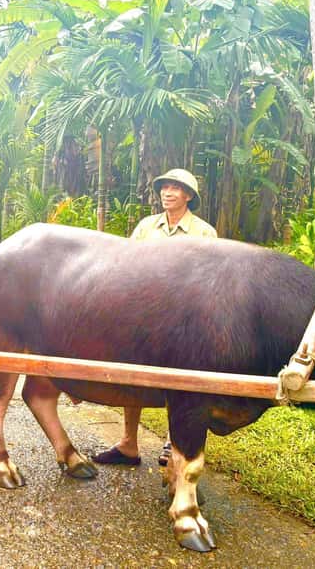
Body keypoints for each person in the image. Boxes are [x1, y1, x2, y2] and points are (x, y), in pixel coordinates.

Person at [92, 168, 217, 468]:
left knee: (184, 383)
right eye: (164, 187)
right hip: (144, 316)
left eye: (176, 188)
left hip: (187, 322)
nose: (168, 192)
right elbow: (127, 267)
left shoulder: (204, 233)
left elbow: (211, 281)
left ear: (188, 196)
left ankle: (174, 444)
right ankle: (128, 443)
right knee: (131, 375)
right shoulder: (146, 227)